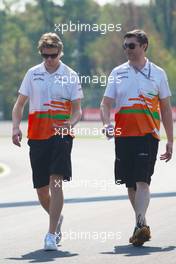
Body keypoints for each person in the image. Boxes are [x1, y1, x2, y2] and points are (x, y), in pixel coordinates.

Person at [100, 29, 173, 246]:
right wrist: (106, 123)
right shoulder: (117, 72)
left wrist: (170, 140)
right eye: (125, 46)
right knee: (130, 183)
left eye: (131, 46)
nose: (127, 50)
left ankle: (140, 223)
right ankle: (141, 224)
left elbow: (166, 109)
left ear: (143, 47)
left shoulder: (158, 73)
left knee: (142, 180)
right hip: (123, 135)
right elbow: (105, 103)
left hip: (147, 134)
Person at [12, 32, 83, 250]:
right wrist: (16, 127)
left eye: (53, 55)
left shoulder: (70, 75)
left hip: (61, 135)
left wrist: (69, 125)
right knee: (42, 190)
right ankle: (57, 217)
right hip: (37, 136)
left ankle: (51, 234)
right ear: (41, 53)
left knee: (56, 182)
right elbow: (19, 104)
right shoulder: (33, 74)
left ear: (60, 52)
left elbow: (78, 111)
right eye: (45, 56)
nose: (50, 60)